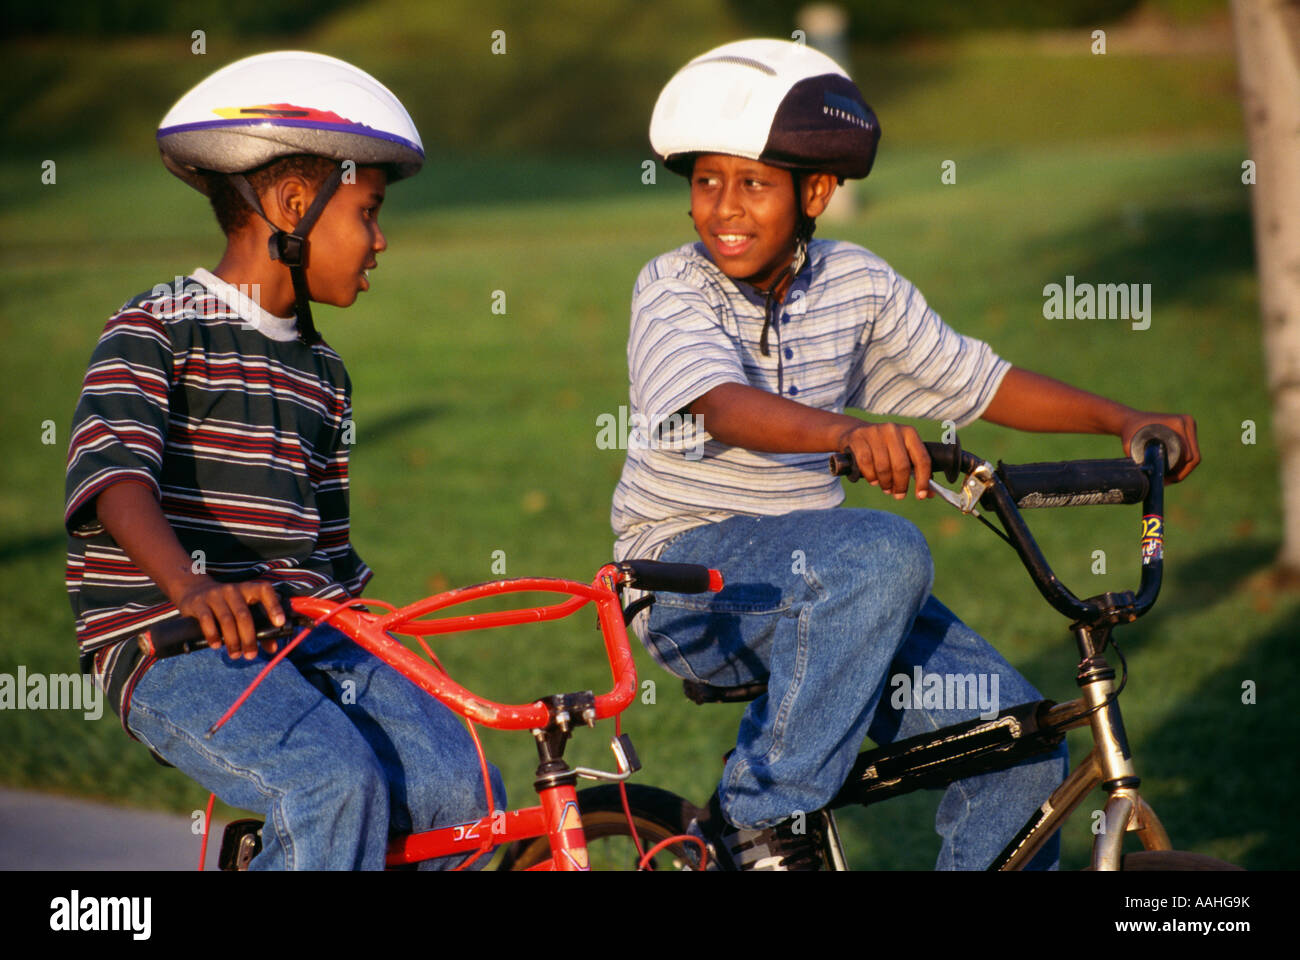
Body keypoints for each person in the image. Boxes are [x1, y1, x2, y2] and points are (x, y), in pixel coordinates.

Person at [611, 38, 1200, 870]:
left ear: (816, 190)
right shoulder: (673, 287)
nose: (724, 209)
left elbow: (978, 381)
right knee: (886, 549)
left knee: (1019, 749)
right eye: (708, 182)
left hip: (836, 592)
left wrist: (1123, 419)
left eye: (752, 184)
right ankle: (761, 815)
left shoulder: (857, 284)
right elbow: (721, 404)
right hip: (686, 580)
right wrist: (845, 433)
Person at [64, 51, 502, 870]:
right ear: (295, 204)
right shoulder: (157, 326)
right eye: (367, 213)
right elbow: (115, 478)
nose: (380, 241)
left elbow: (324, 551)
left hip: (305, 636)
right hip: (172, 643)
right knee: (330, 785)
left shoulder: (323, 373)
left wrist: (377, 630)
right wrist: (192, 586)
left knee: (468, 788)